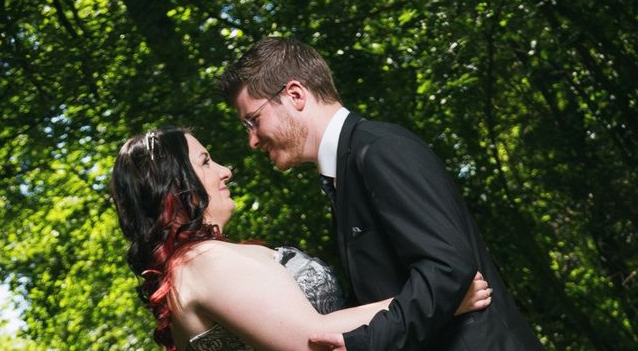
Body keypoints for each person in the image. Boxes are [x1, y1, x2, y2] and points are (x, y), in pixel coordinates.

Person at [219, 37, 544, 350]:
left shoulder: (379, 149)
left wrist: (366, 343)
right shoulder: (342, 175)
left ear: (295, 95)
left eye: (253, 121)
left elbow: (448, 268)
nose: (253, 141)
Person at [109, 127, 492, 351]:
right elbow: (311, 339)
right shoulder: (202, 263)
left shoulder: (206, 260)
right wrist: (439, 300)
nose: (225, 170)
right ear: (174, 186)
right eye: (206, 162)